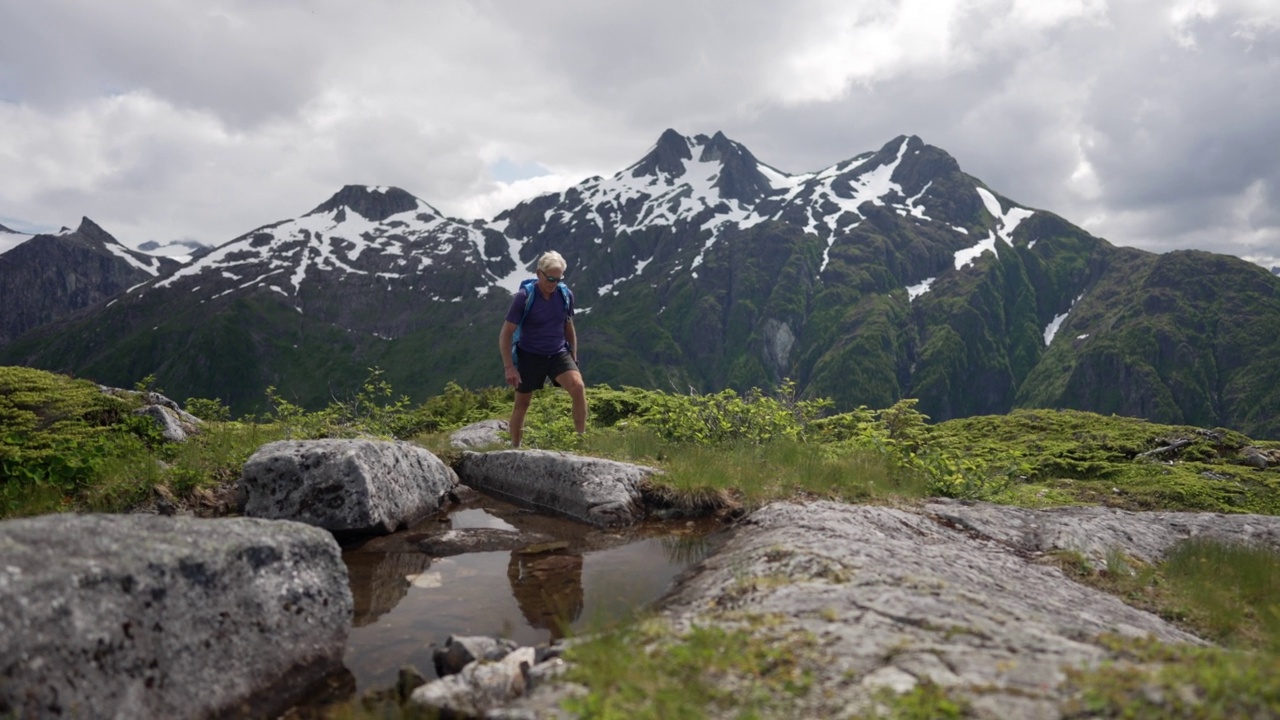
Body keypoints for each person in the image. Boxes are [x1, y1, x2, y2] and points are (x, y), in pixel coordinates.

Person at [498, 251, 587, 447]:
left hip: (557, 353)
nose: (554, 283)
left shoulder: (565, 295)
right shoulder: (524, 297)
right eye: (550, 278)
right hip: (529, 355)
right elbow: (506, 333)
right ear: (539, 273)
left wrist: (573, 354)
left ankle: (582, 440)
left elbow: (568, 324)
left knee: (578, 387)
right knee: (522, 404)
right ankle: (515, 448)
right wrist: (509, 367)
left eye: (558, 279)